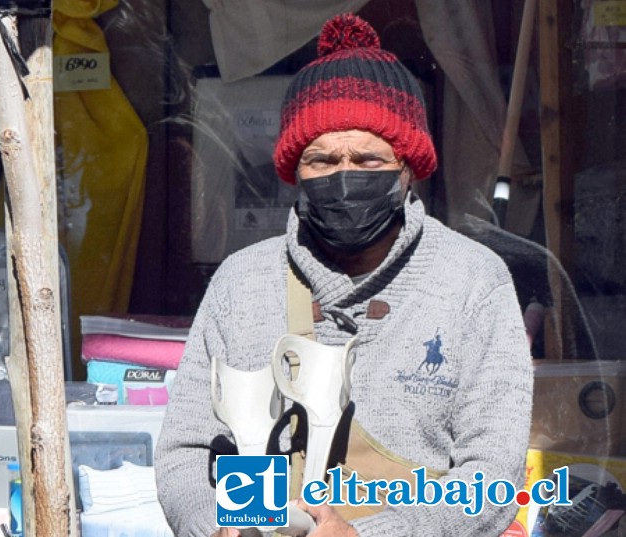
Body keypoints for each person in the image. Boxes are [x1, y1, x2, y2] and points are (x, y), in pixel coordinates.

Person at [156, 12, 533, 537]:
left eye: (369, 158)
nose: (344, 175)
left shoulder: (472, 282)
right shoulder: (242, 284)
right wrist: (210, 526)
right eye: (322, 160)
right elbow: (185, 452)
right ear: (294, 171)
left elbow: (492, 476)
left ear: (407, 167)